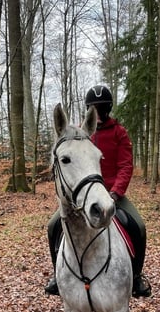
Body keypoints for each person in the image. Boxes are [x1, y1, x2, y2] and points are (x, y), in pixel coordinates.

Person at [45, 84, 151, 297]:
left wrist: (115, 192)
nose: (99, 112)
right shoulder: (78, 133)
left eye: (102, 108)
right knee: (53, 225)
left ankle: (137, 277)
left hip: (111, 193)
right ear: (89, 109)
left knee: (138, 226)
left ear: (108, 108)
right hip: (82, 195)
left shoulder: (119, 132)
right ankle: (58, 275)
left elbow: (125, 166)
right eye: (95, 107)